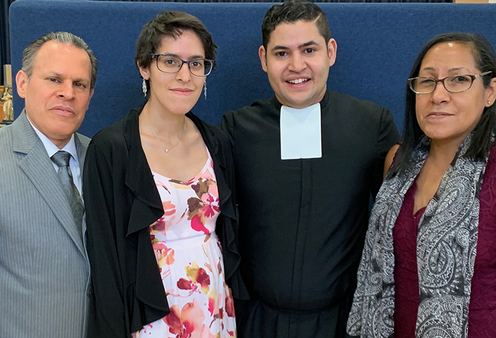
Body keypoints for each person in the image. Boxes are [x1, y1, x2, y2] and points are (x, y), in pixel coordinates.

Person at [221, 1, 399, 337]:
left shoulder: (371, 125)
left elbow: (399, 221)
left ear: (330, 51)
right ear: (263, 59)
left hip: (343, 322)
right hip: (256, 321)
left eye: (309, 49)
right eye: (282, 53)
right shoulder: (236, 129)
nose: (297, 65)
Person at [83, 11, 238, 337]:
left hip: (214, 310)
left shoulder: (218, 143)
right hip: (149, 316)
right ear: (144, 67)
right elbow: (106, 263)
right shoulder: (111, 150)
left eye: (196, 63)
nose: (185, 75)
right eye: (170, 61)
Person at [347, 32, 496, 338]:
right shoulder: (398, 163)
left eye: (458, 80)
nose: (438, 95)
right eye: (427, 81)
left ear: (490, 91)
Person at [0, 32, 97, 337]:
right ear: (22, 83)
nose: (68, 93)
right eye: (54, 79)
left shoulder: (104, 158)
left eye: (79, 84)